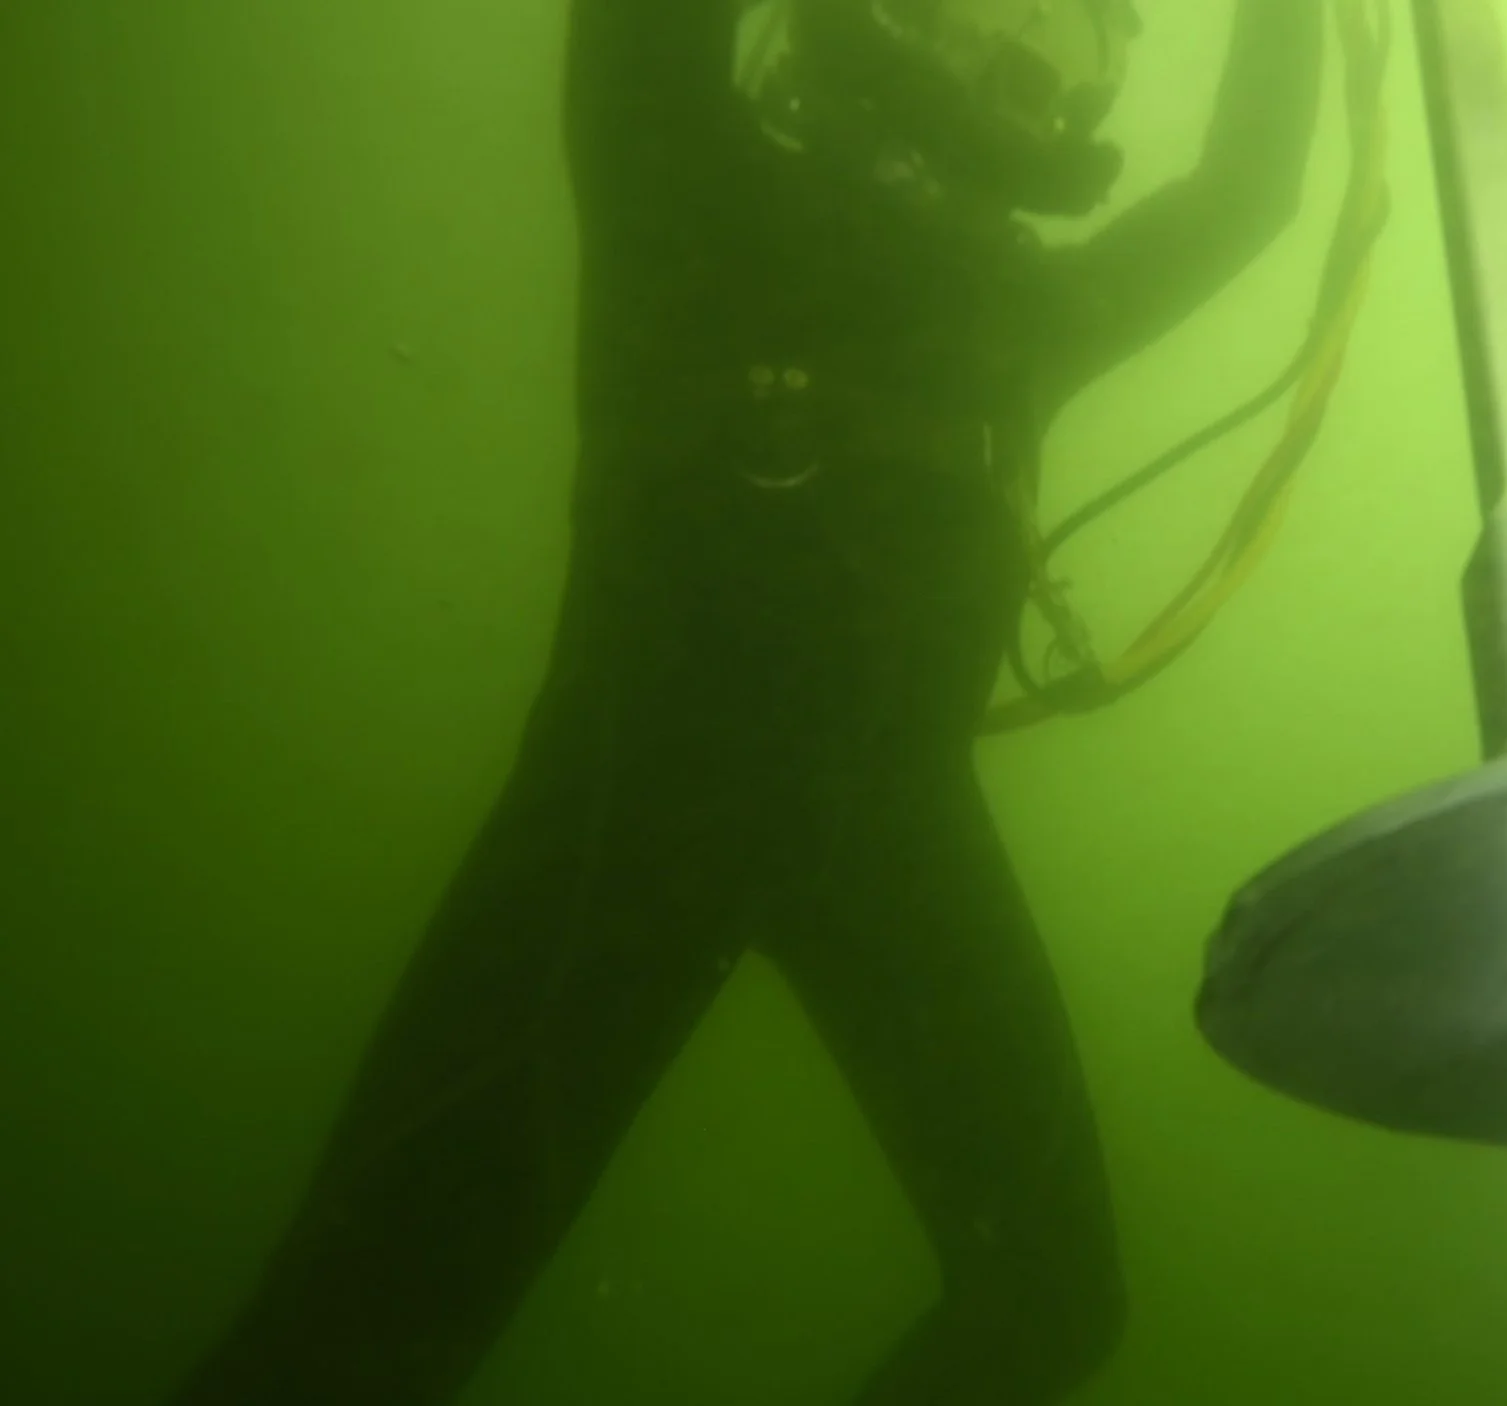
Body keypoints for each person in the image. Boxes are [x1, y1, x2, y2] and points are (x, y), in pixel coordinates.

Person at [168, 2, 1325, 1402]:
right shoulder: (689, 176)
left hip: (878, 835)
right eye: (988, 35)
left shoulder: (1028, 309)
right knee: (346, 1345)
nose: (1012, 75)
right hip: (626, 810)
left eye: (1056, 62)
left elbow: (1249, 185)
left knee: (1055, 1300)